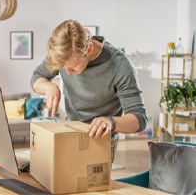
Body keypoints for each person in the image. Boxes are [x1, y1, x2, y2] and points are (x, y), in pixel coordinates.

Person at [30, 19, 148, 162]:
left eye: (73, 67)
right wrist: (48, 87)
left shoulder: (120, 65)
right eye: (64, 68)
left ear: (89, 49)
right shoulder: (64, 52)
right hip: (70, 131)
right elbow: (37, 77)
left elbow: (140, 119)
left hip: (101, 140)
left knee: (91, 184)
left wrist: (110, 122)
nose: (67, 73)